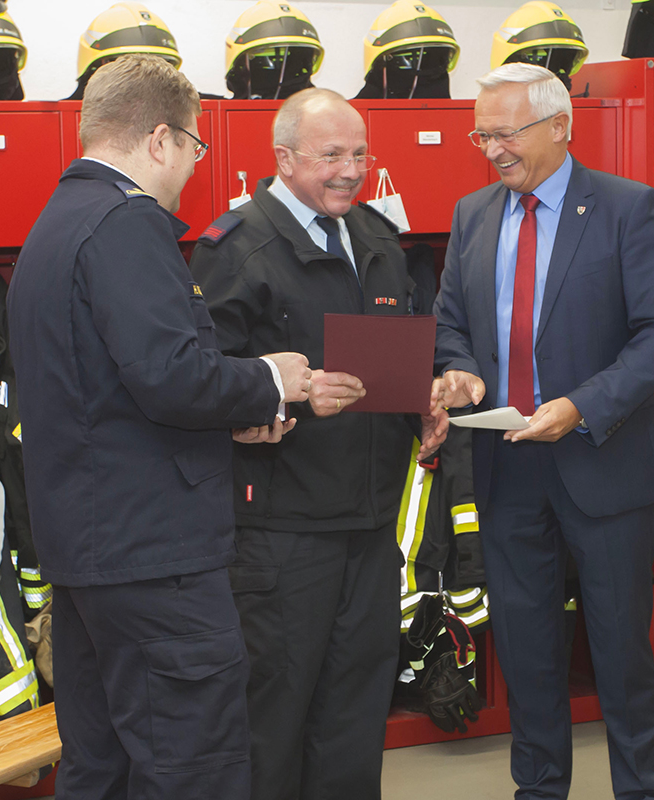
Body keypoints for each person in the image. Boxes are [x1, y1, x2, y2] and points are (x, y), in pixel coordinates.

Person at [7, 55, 311, 799]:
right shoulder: (126, 222)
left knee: (101, 767)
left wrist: (229, 425)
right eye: (195, 147)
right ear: (159, 139)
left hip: (89, 558)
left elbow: (103, 393)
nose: (190, 166)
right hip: (155, 562)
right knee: (192, 769)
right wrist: (270, 378)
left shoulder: (55, 224)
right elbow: (170, 374)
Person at [432, 63, 654, 800]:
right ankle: (539, 787)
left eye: (506, 131)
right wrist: (460, 373)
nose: (491, 148)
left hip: (601, 462)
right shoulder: (472, 214)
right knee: (525, 647)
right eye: (482, 132)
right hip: (507, 462)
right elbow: (452, 323)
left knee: (618, 650)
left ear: (560, 126)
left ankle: (641, 789)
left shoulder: (627, 209)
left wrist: (581, 404)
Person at [189, 87, 447, 800]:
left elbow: (394, 362)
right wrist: (267, 399)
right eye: (331, 154)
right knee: (272, 722)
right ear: (284, 157)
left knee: (356, 719)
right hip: (279, 538)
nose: (350, 170)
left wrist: (423, 400)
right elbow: (198, 377)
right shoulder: (238, 248)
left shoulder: (378, 242)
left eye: (360, 154)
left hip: (369, 530)